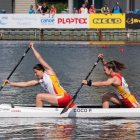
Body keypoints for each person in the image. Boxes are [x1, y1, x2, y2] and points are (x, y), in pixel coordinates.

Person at [4, 43, 76, 108]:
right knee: (55, 106)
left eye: (36, 72)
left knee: (39, 96)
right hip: (66, 98)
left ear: (41, 70)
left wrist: (32, 48)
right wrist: (10, 83)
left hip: (62, 97)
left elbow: (39, 58)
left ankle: (38, 116)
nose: (35, 74)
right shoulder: (40, 81)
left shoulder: (49, 72)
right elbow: (25, 84)